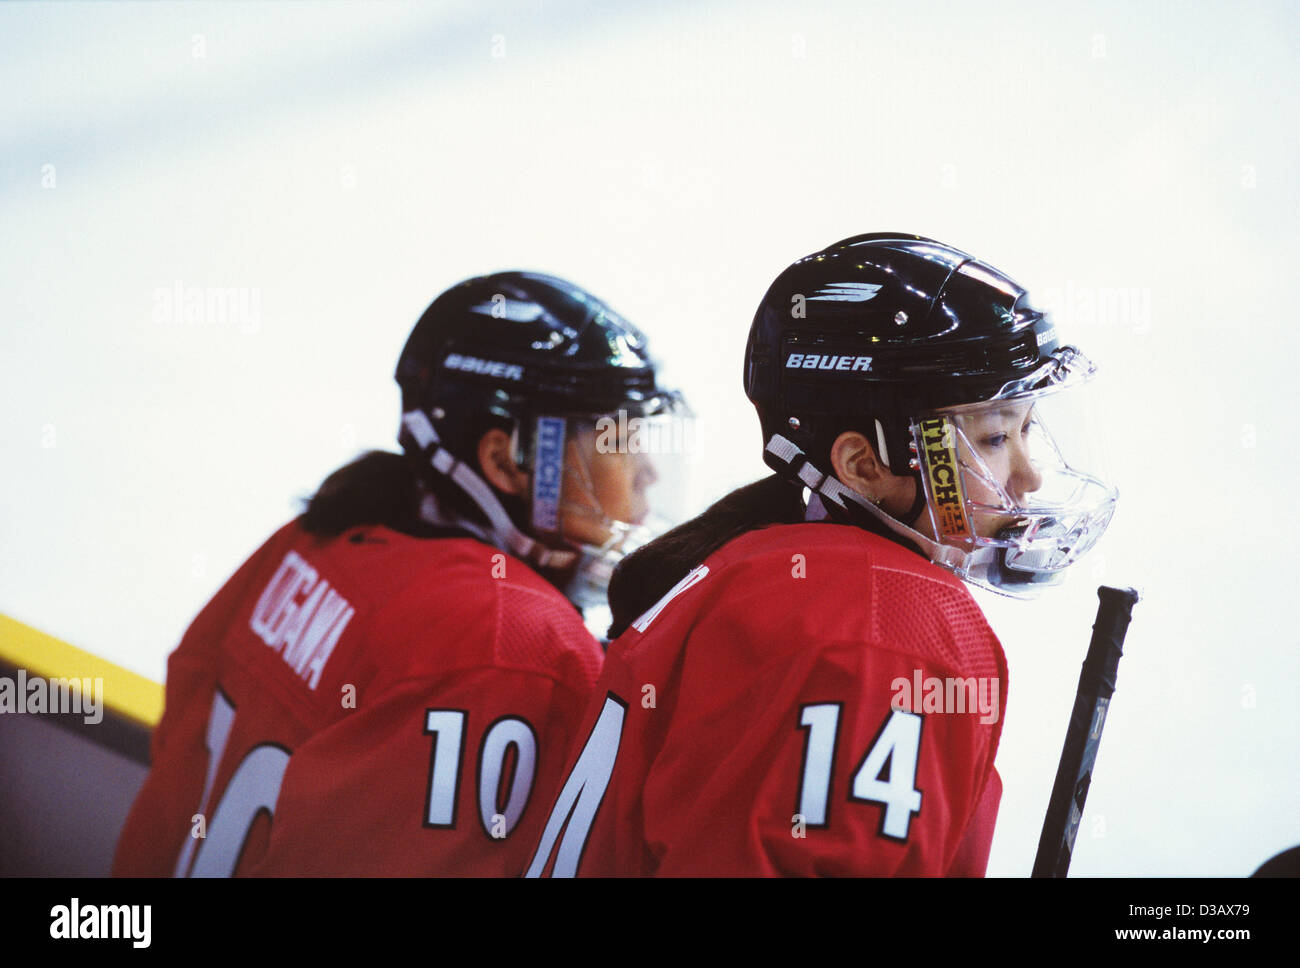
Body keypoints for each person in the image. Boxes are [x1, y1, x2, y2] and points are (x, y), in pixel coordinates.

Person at [524, 233, 1118, 877]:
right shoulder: (881, 628)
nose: (1029, 475)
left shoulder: (756, 571)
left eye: (1028, 426)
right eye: (996, 435)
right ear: (862, 465)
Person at [113, 271, 686, 876]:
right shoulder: (510, 643)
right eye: (617, 437)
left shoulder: (315, 537)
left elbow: (182, 718)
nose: (646, 469)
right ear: (506, 461)